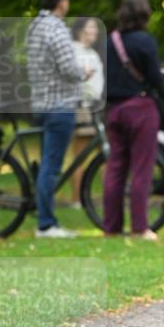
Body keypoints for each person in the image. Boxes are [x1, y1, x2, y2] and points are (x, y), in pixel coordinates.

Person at [26, 0, 94, 238]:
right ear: (62, 2)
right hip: (59, 104)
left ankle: (45, 218)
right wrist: (84, 71)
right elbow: (68, 67)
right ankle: (46, 224)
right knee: (52, 166)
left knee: (47, 163)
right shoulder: (56, 28)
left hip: (41, 103)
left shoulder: (35, 26)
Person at [103, 0, 164, 240]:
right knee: (141, 168)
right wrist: (162, 75)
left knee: (115, 167)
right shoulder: (145, 41)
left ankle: (111, 228)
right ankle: (139, 227)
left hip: (114, 110)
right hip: (140, 108)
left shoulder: (110, 41)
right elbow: (155, 79)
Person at [69, 17, 104, 207]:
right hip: (82, 107)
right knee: (81, 155)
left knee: (105, 154)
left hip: (95, 107)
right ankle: (76, 199)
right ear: (81, 30)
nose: (95, 31)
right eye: (92, 27)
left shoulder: (92, 53)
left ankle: (109, 197)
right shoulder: (74, 52)